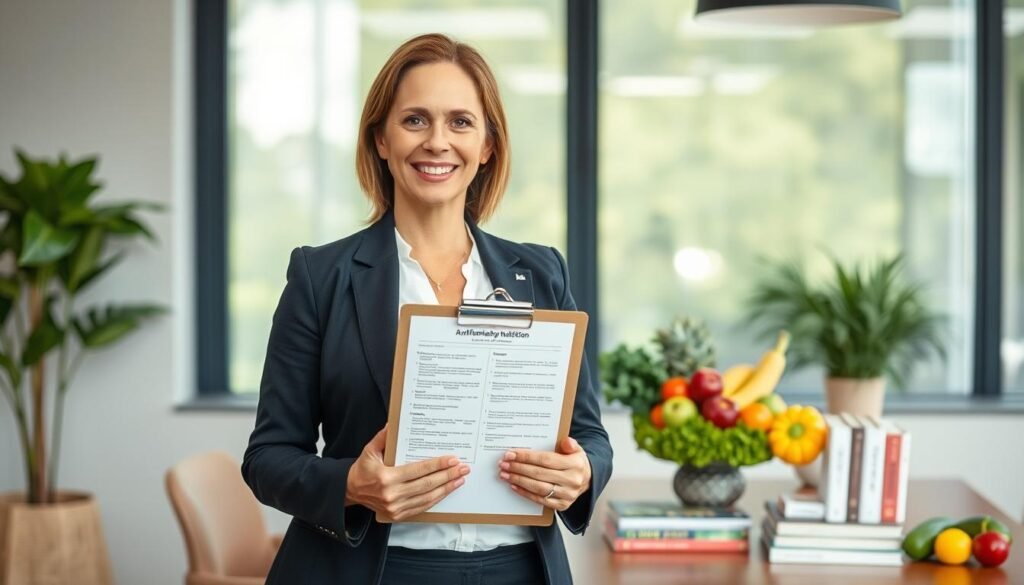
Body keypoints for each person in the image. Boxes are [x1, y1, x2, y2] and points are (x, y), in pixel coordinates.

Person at [241, 33, 612, 585]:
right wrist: (352, 486)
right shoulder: (321, 277)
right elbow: (268, 456)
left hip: (519, 570)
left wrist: (581, 472)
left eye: (460, 122)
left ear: (487, 146)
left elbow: (590, 436)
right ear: (381, 139)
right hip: (371, 570)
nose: (437, 142)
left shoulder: (541, 273)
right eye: (415, 120)